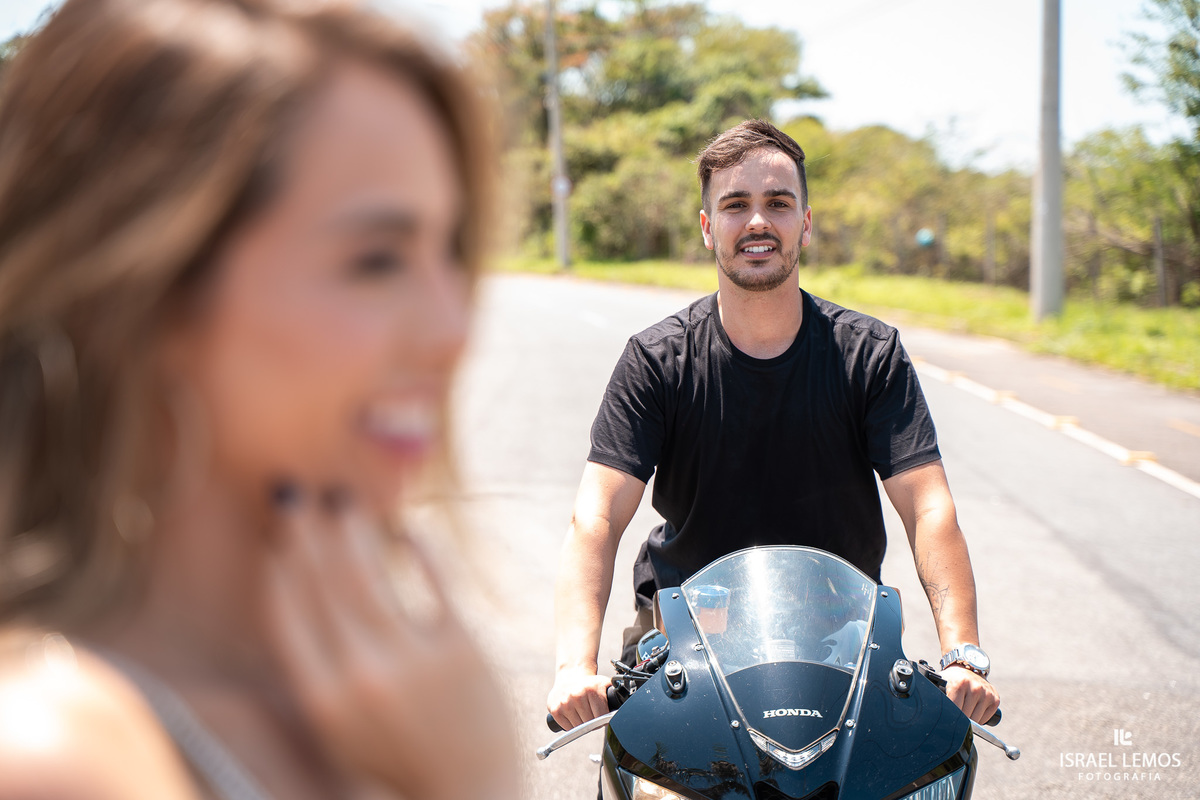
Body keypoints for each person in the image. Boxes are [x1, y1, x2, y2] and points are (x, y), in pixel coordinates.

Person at [0, 1, 518, 798]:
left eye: (449, 251)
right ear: (147, 293)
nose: (454, 331)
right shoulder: (54, 756)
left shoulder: (367, 692)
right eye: (377, 261)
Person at [547, 119, 1000, 731]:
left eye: (778, 204)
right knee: (641, 768)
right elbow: (596, 517)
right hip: (684, 640)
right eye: (735, 205)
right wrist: (575, 668)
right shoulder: (656, 360)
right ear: (708, 227)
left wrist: (962, 654)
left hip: (841, 638)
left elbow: (929, 509)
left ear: (804, 223)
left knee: (923, 765)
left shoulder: (870, 355)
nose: (757, 221)